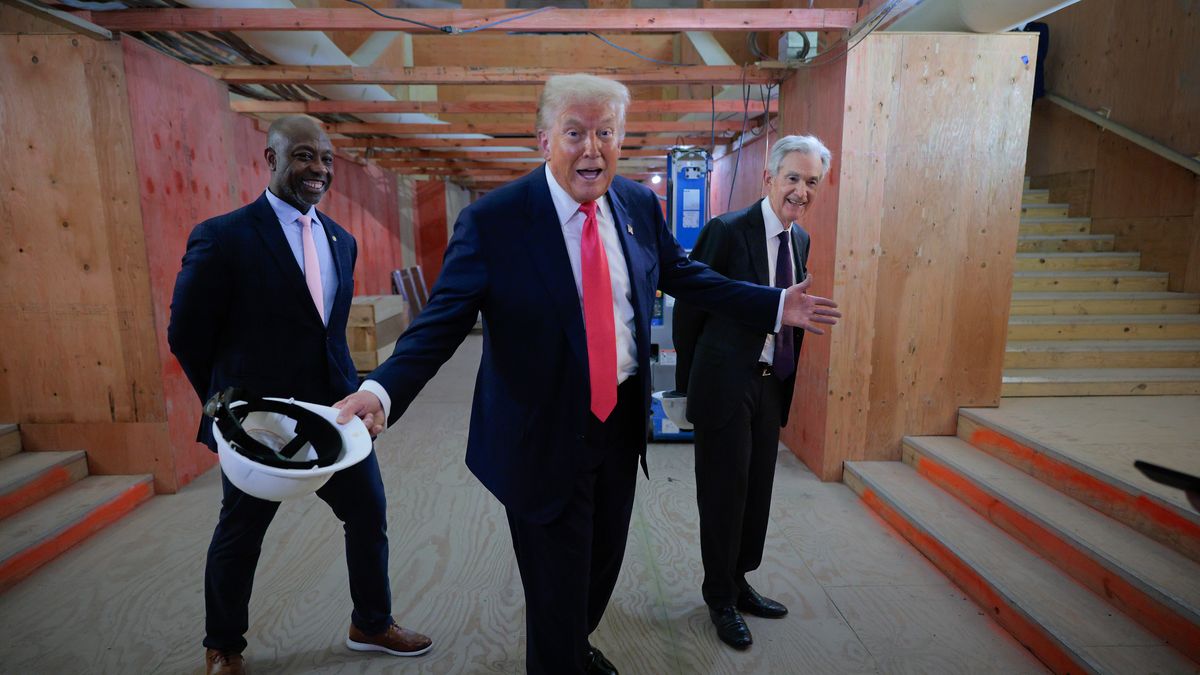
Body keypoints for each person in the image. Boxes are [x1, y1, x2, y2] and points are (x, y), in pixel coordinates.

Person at [333, 75, 840, 675]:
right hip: (540, 432)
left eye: (605, 133)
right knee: (554, 587)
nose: (591, 149)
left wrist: (776, 305)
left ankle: (574, 643)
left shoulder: (637, 205)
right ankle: (560, 656)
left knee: (601, 564)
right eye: (575, 133)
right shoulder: (495, 221)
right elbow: (439, 323)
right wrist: (380, 388)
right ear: (545, 139)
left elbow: (689, 277)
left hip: (620, 425)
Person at [167, 115, 432, 675]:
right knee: (241, 530)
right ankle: (224, 646)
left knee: (368, 513)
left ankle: (372, 622)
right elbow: (186, 333)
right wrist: (224, 407)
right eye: (305, 156)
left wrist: (358, 392)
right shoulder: (225, 236)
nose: (319, 170)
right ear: (271, 160)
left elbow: (326, 332)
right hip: (260, 420)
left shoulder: (342, 239)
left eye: (327, 159)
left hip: (333, 411)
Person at [672, 134, 833, 651]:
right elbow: (689, 310)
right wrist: (684, 388)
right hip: (724, 383)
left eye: (812, 182)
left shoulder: (800, 241)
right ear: (768, 179)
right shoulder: (726, 231)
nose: (801, 191)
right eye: (793, 178)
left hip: (770, 383)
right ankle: (718, 596)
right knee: (723, 492)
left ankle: (740, 582)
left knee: (756, 491)